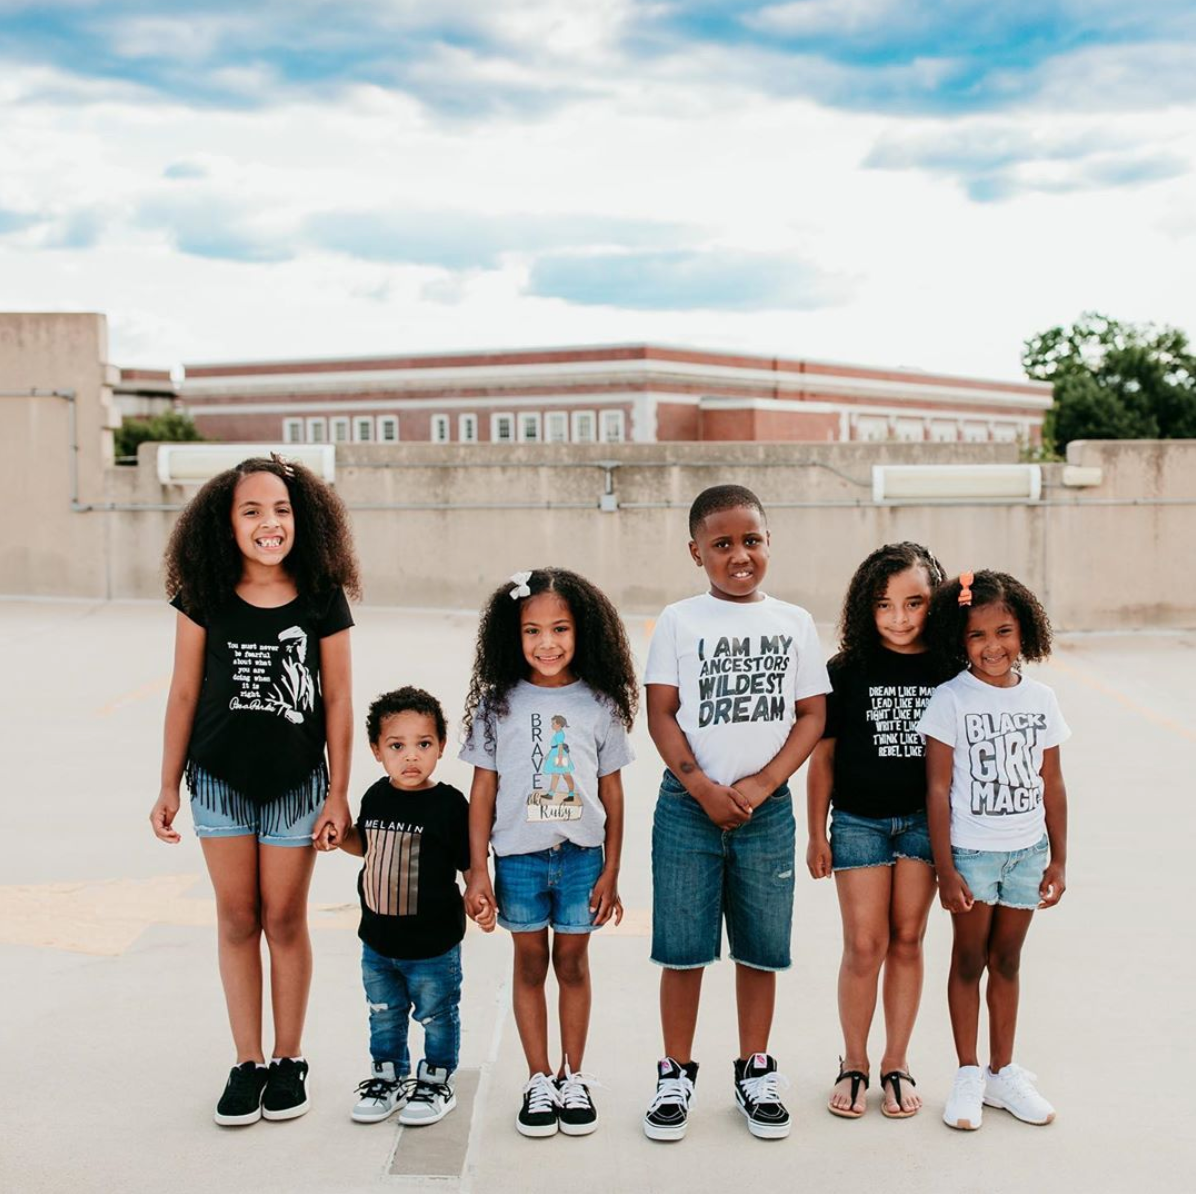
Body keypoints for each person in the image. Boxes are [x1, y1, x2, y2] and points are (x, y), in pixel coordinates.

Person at [148, 454, 359, 1127]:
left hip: (297, 786)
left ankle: (289, 1058)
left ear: (302, 520)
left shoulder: (323, 594)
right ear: (226, 524)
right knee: (238, 919)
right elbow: (183, 693)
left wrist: (339, 793)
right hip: (217, 781)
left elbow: (341, 699)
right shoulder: (204, 594)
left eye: (281, 510)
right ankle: (248, 1061)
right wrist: (167, 785)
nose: (269, 523)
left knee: (285, 919)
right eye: (252, 511)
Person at [642, 484, 830, 1142]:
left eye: (751, 540)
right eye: (722, 544)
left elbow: (813, 715)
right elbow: (661, 712)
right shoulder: (679, 621)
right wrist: (700, 786)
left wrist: (762, 782)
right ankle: (675, 1074)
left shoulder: (794, 623)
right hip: (689, 811)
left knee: (760, 951)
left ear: (769, 543)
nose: (739, 554)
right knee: (684, 951)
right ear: (697, 552)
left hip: (767, 812)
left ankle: (754, 1070)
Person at [460, 568, 636, 1138]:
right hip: (518, 859)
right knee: (531, 964)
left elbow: (612, 790)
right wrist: (478, 870)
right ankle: (539, 1078)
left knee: (574, 965)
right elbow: (482, 789)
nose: (547, 643)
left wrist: (612, 868)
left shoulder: (600, 703)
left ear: (582, 632)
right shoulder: (498, 705)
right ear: (513, 638)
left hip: (583, 855)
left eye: (560, 629)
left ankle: (573, 1075)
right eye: (532, 631)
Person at [918, 570, 1069, 1131]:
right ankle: (967, 1073)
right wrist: (945, 868)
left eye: (1003, 631)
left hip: (1027, 853)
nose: (991, 647)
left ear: (1023, 631)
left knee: (1008, 961)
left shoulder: (1042, 699)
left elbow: (1052, 783)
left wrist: (1057, 858)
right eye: (977, 636)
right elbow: (935, 789)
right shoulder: (950, 700)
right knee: (968, 960)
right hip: (973, 856)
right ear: (960, 642)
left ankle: (1003, 1072)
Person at [806, 542, 946, 1119]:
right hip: (860, 821)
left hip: (922, 824)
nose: (899, 618)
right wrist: (817, 832)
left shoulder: (949, 666)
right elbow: (824, 758)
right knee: (865, 945)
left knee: (908, 940)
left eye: (914, 603)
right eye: (884, 605)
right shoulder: (845, 669)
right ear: (866, 607)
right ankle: (854, 1061)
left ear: (934, 603)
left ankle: (896, 1061)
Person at [333, 687, 495, 1127]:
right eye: (396, 746)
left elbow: (469, 865)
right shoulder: (375, 796)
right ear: (376, 751)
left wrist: (478, 896)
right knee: (384, 1015)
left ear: (441, 747)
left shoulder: (448, 805)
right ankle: (388, 1078)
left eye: (423, 744)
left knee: (436, 1016)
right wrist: (338, 834)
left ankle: (436, 1081)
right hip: (378, 943)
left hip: (433, 947)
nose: (411, 757)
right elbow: (365, 845)